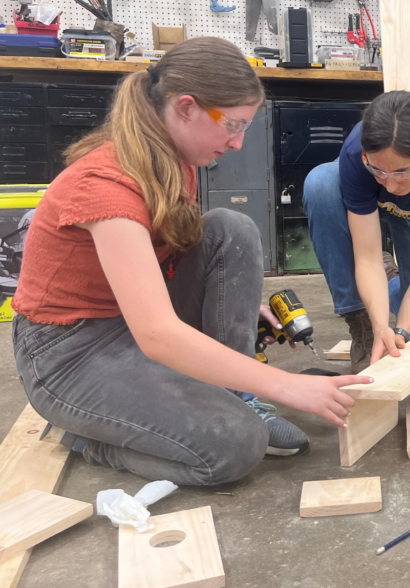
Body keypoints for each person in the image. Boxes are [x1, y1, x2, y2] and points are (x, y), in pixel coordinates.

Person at [11, 38, 373, 487]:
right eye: (234, 126)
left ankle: (237, 392)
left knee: (229, 229)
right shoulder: (104, 185)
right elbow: (158, 334)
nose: (239, 144)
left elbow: (171, 258)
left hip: (130, 319)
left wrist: (231, 302)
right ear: (186, 107)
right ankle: (90, 437)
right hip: (71, 351)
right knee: (234, 445)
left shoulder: (176, 158)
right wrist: (286, 386)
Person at [303, 91, 410, 372]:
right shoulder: (356, 156)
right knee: (321, 184)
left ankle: (390, 281)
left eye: (402, 172)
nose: (391, 187)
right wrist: (380, 326)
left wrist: (401, 332)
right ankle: (359, 317)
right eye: (379, 170)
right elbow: (367, 257)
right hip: (365, 197)